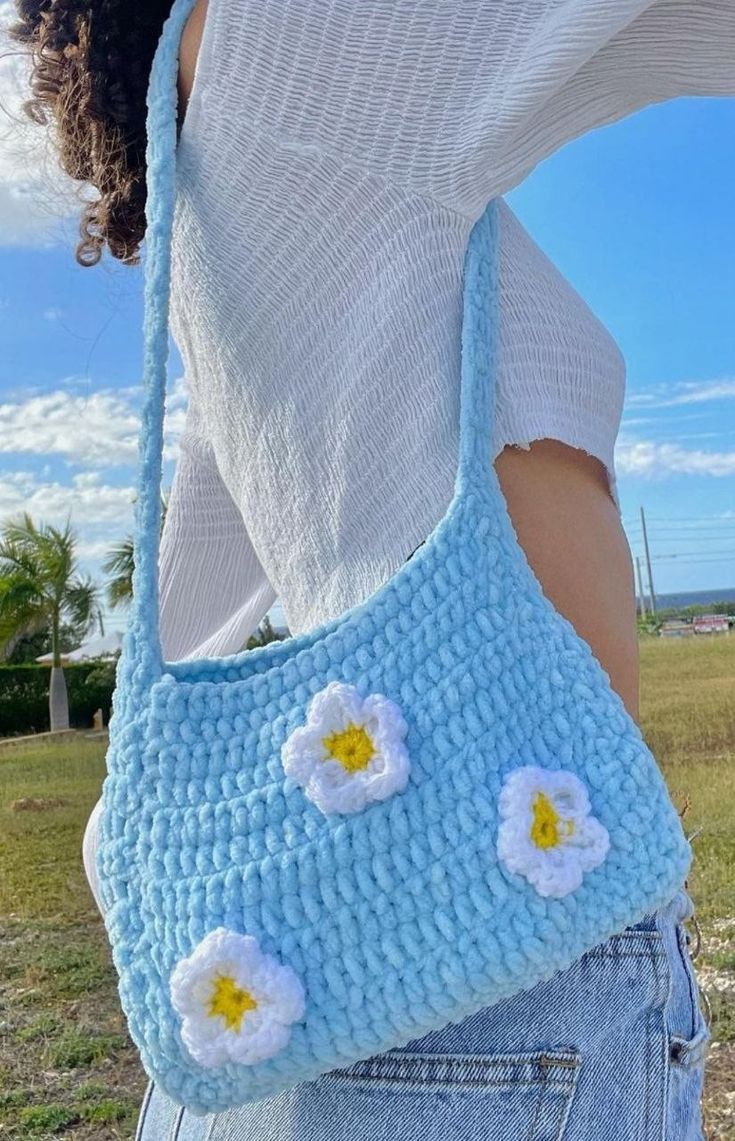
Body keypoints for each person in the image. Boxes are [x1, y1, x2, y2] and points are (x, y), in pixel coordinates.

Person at [11, 2, 731, 1137]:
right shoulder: (280, 39)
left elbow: (216, 546)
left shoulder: (219, 152)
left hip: (292, 1022)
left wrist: (140, 823)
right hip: (500, 972)